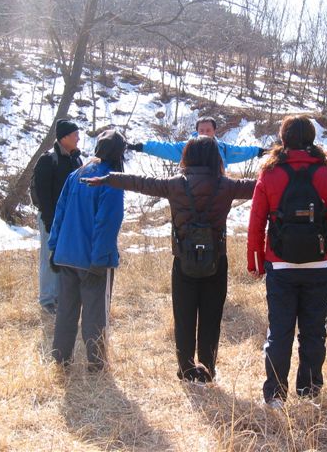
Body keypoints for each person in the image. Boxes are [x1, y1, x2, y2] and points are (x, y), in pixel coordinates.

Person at [85, 136, 255, 384]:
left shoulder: (175, 184)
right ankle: (207, 370)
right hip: (216, 261)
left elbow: (140, 182)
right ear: (215, 158)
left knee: (184, 317)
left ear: (188, 156)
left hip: (183, 260)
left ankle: (186, 370)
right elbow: (259, 186)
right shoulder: (227, 185)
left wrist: (109, 178)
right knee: (211, 318)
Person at [247, 115, 327, 408]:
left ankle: (276, 396)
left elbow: (256, 222)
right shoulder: (326, 172)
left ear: (283, 138)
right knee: (313, 332)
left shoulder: (270, 172)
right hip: (319, 264)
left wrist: (255, 262)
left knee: (280, 332)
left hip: (280, 265)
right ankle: (309, 392)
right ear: (312, 139)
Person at [48, 130, 126, 372]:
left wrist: (54, 248)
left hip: (66, 254)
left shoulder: (76, 174)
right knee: (95, 314)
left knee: (66, 311)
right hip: (92, 259)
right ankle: (96, 364)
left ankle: (61, 360)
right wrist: (100, 260)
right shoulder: (112, 181)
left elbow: (59, 213)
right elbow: (107, 224)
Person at [32, 119, 83, 315]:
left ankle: (61, 297)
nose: (78, 138)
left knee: (65, 258)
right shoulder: (48, 160)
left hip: (70, 219)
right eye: (75, 135)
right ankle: (47, 299)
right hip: (51, 217)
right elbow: (43, 194)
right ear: (64, 138)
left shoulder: (76, 160)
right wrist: (49, 221)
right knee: (49, 257)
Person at [126, 116, 265, 168]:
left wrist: (258, 151)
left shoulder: (222, 148)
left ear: (214, 131)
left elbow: (241, 152)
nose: (204, 133)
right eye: (201, 130)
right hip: (191, 193)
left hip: (216, 194)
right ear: (197, 131)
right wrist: (142, 147)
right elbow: (164, 148)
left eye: (208, 130)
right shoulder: (188, 147)